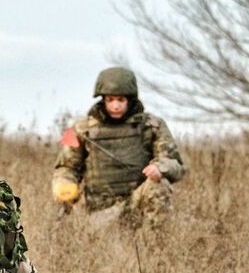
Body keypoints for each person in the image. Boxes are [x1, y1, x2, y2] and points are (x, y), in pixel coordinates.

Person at [53, 67, 186, 226]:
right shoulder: (81, 129)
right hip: (100, 212)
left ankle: (158, 246)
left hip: (138, 201)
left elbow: (175, 163)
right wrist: (64, 183)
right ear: (103, 99)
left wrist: (160, 168)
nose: (115, 106)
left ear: (130, 100)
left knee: (158, 185)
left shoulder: (151, 126)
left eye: (121, 100)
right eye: (110, 100)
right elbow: (66, 167)